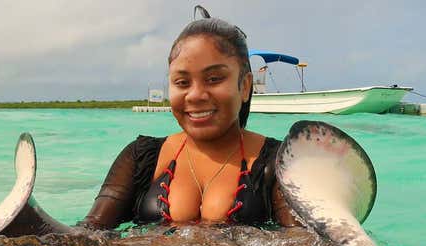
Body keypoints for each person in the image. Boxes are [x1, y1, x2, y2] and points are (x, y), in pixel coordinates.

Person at [78, 17, 299, 229]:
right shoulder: (141, 158)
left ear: (245, 86)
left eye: (214, 79)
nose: (195, 95)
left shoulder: (280, 163)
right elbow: (89, 234)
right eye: (182, 82)